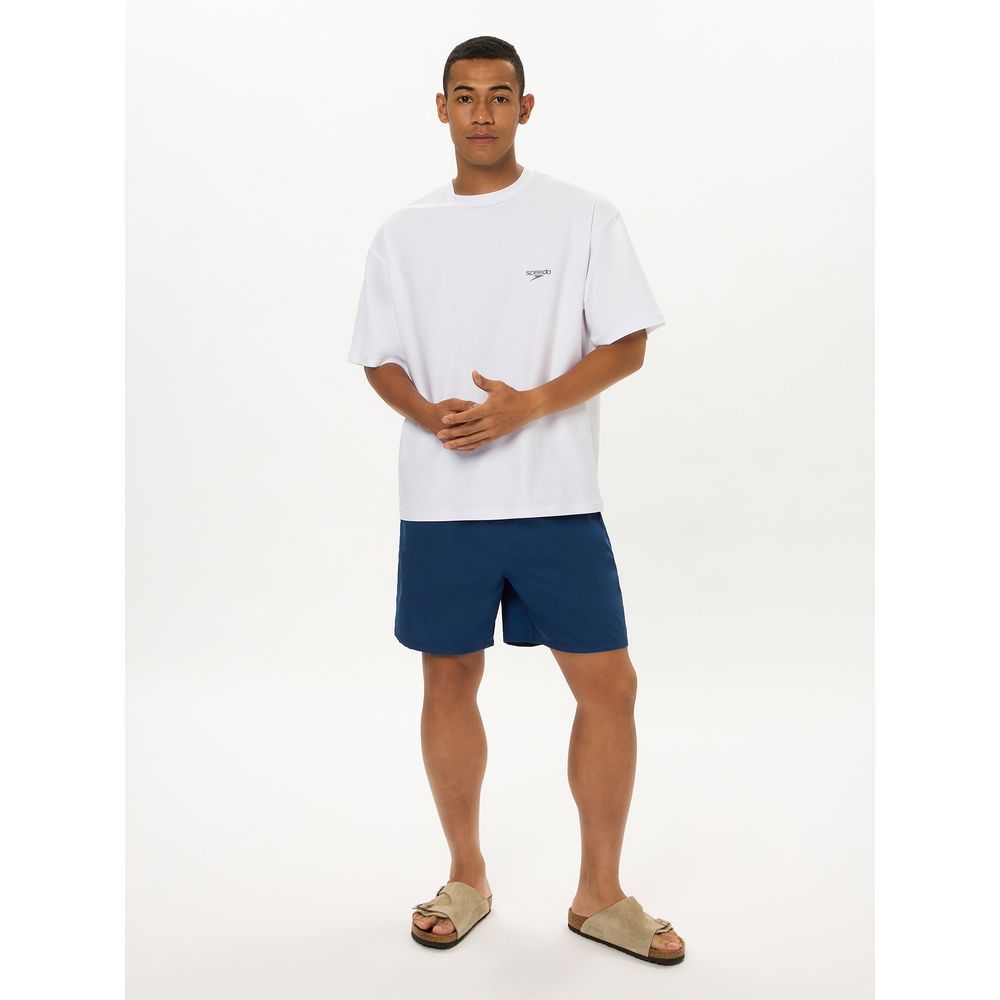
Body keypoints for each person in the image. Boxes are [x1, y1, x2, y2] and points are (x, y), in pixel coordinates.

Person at [346, 35, 686, 965]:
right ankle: (467, 876)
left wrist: (527, 407)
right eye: (466, 96)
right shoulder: (404, 232)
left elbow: (627, 344)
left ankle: (599, 894)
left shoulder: (582, 217)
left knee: (610, 687)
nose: (483, 112)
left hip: (556, 498)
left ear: (525, 108)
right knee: (448, 680)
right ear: (442, 108)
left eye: (500, 95)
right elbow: (379, 356)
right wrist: (431, 416)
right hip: (442, 504)